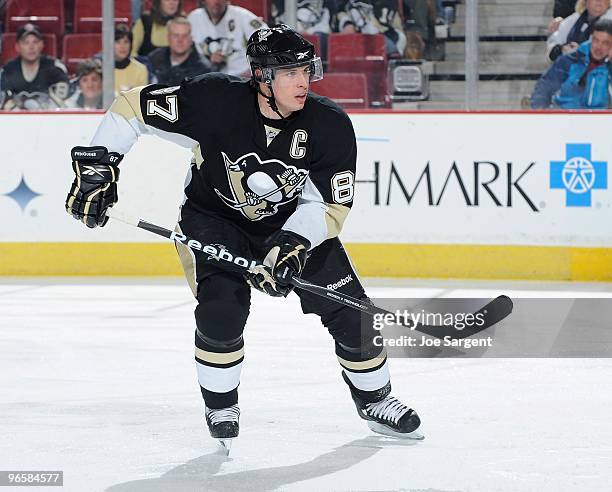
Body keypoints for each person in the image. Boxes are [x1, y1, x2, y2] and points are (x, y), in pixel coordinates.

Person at [64, 24, 424, 448]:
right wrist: (99, 167)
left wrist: (293, 242)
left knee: (354, 314)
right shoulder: (214, 100)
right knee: (221, 312)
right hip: (213, 219)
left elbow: (328, 204)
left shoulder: (330, 125)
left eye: (306, 70)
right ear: (262, 77)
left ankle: (375, 399)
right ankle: (220, 404)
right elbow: (130, 107)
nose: (303, 81)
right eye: (289, 72)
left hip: (289, 225)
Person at [532, 18, 612, 109]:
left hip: (601, 121)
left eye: (605, 43)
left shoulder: (609, 68)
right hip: (564, 118)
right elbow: (543, 89)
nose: (598, 47)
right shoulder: (569, 61)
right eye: (596, 40)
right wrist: (543, 113)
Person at [187, 0, 267, 76]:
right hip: (205, 76)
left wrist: (255, 68)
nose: (216, 2)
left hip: (242, 77)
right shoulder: (194, 18)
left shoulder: (242, 15)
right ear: (203, 1)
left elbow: (266, 37)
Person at [0, 23, 69, 110]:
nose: (31, 47)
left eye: (35, 42)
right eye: (26, 42)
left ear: (42, 45)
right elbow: (4, 105)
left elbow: (63, 104)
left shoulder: (55, 68)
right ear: (17, 47)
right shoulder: (8, 70)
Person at [148, 16, 211, 85]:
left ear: (191, 39)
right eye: (176, 35)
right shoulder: (154, 58)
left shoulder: (203, 69)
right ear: (168, 37)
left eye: (184, 36)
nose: (180, 40)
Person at [547, 0, 612, 62]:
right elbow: (553, 44)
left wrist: (581, 52)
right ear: (585, 1)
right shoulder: (573, 19)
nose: (599, 1)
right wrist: (561, 50)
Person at [337, 0, 406, 57]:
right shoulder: (346, 5)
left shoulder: (389, 5)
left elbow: (400, 36)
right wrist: (347, 24)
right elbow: (340, 14)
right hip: (353, 46)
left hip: (383, 48)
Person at [114, 23, 150, 94]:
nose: (122, 46)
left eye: (126, 42)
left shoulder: (141, 70)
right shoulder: (102, 69)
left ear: (131, 44)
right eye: (118, 42)